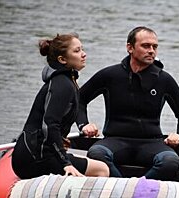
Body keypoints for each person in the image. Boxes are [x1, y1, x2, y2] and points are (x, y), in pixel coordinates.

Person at [79, 26, 179, 180]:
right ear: (130, 48)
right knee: (96, 154)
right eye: (146, 46)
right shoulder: (110, 75)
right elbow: (78, 100)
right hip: (115, 140)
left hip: (152, 143)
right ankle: (122, 188)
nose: (151, 50)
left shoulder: (164, 79)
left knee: (170, 161)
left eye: (155, 47)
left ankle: (138, 188)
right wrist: (83, 124)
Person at [12, 33, 109, 179]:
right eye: (77, 51)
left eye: (82, 49)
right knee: (102, 170)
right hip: (35, 158)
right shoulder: (62, 84)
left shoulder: (66, 80)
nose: (83, 54)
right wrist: (65, 162)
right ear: (62, 59)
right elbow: (50, 124)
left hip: (37, 153)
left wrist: (82, 125)